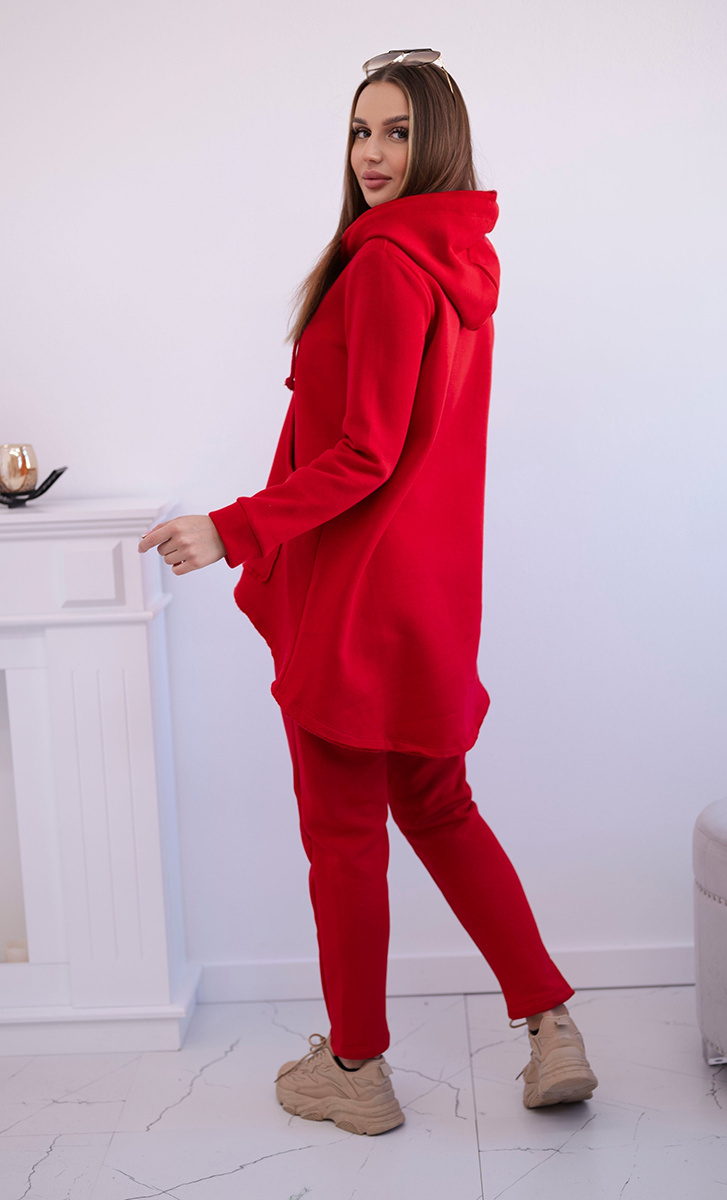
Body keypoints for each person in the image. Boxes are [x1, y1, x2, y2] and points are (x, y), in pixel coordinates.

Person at [139, 48, 597, 1136]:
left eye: (397, 131)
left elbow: (365, 453)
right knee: (439, 809)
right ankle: (552, 1026)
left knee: (344, 836)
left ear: (438, 143)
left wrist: (232, 529)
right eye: (360, 131)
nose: (373, 154)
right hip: (428, 600)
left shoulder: (389, 265)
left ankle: (354, 1069)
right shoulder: (458, 261)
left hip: (352, 603)